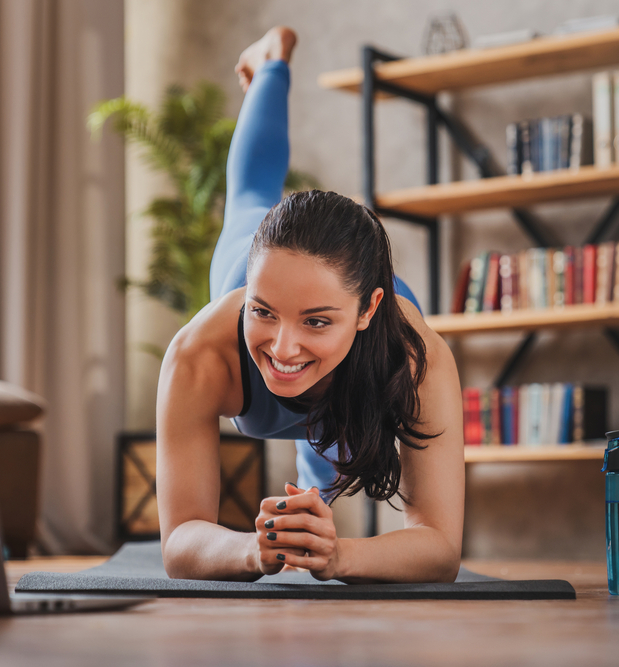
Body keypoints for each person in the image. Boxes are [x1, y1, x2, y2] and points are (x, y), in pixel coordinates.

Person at [155, 26, 464, 584]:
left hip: (357, 374)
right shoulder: (200, 355)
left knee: (329, 443)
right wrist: (256, 549)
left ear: (369, 310)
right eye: (263, 311)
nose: (282, 345)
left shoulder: (413, 356)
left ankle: (317, 445)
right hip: (266, 280)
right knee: (250, 198)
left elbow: (440, 547)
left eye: (316, 320)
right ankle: (272, 63)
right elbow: (180, 543)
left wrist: (340, 555)